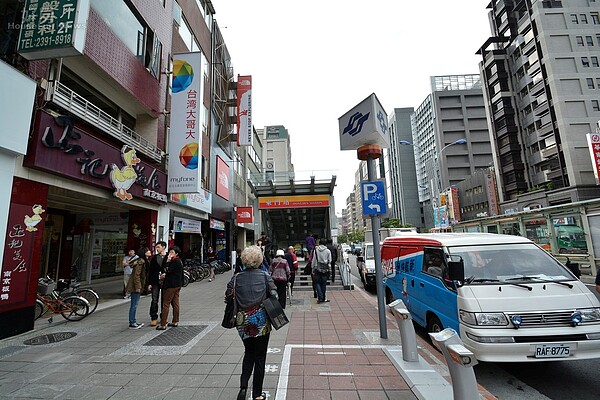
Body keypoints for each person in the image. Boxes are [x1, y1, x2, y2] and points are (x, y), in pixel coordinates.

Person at [225, 245, 277, 400]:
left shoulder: (237, 277)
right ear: (259, 260)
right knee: (260, 357)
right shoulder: (264, 275)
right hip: (261, 320)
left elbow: (228, 296)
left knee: (249, 353)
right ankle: (257, 394)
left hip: (242, 321)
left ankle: (243, 388)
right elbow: (274, 294)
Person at [157, 245, 184, 330]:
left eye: (172, 252)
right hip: (177, 285)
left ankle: (163, 323)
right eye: (170, 252)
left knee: (166, 303)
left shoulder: (175, 261)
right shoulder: (179, 261)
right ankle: (175, 321)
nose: (170, 254)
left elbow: (167, 270)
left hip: (171, 285)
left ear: (176, 253)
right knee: (175, 303)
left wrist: (168, 261)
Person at [126, 247, 149, 329]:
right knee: (134, 304)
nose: (149, 252)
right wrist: (138, 287)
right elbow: (137, 275)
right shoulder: (140, 262)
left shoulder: (143, 261)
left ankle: (133, 321)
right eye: (147, 251)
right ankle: (132, 322)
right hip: (135, 286)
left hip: (137, 285)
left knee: (134, 304)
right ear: (144, 253)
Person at [147, 241, 166, 326]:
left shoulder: (168, 257)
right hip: (155, 281)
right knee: (154, 300)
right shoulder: (154, 258)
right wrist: (149, 283)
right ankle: (153, 317)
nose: (157, 249)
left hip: (165, 282)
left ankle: (163, 317)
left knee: (164, 300)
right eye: (156, 247)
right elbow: (151, 271)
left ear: (163, 247)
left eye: (158, 247)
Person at [311, 239, 332, 303]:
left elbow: (314, 260)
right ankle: (323, 297)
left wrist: (312, 268)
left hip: (317, 269)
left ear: (319, 243)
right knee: (324, 283)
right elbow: (330, 260)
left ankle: (320, 297)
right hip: (325, 269)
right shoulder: (328, 251)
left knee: (317, 283)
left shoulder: (316, 251)